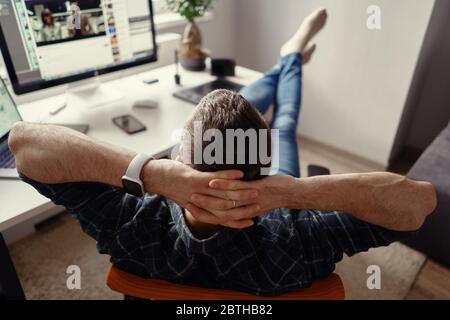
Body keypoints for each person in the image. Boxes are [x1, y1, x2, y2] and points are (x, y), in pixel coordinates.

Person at [9, 9, 437, 296]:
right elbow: (420, 202)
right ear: (262, 164)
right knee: (282, 119)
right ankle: (290, 58)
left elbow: (23, 141)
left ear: (179, 156)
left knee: (243, 98)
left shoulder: (132, 224)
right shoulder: (301, 234)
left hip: (222, 186)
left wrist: (154, 175)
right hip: (275, 201)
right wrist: (293, 192)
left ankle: (287, 59)